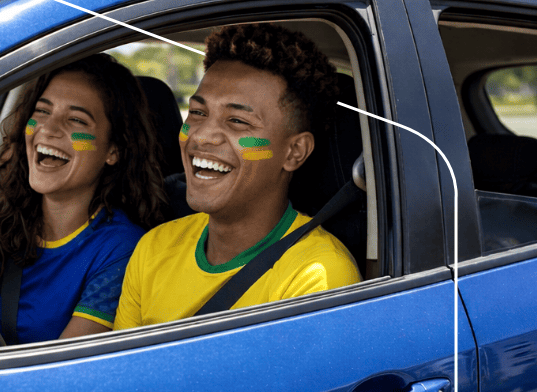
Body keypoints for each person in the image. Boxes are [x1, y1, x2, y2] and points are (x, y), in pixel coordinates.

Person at [114, 24, 362, 329]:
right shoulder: (153, 248)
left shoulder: (317, 277)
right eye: (198, 113)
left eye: (237, 121)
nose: (202, 137)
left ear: (294, 152)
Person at [0, 54, 167, 343]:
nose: (48, 130)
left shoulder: (121, 250)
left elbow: (63, 370)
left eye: (76, 119)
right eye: (42, 111)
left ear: (113, 150)